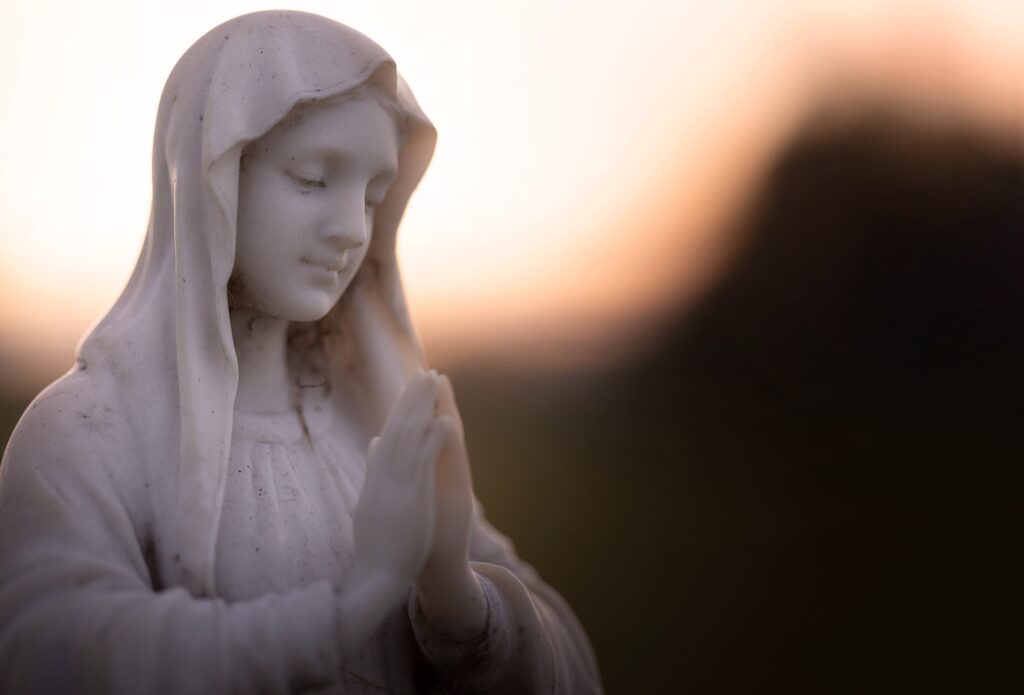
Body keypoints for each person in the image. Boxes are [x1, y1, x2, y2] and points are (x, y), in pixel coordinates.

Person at [0, 11, 602, 694]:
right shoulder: (87, 434)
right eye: (314, 178)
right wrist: (356, 599)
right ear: (213, 177)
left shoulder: (375, 421)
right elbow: (52, 653)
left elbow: (575, 667)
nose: (350, 228)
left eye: (375, 195)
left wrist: (456, 594)